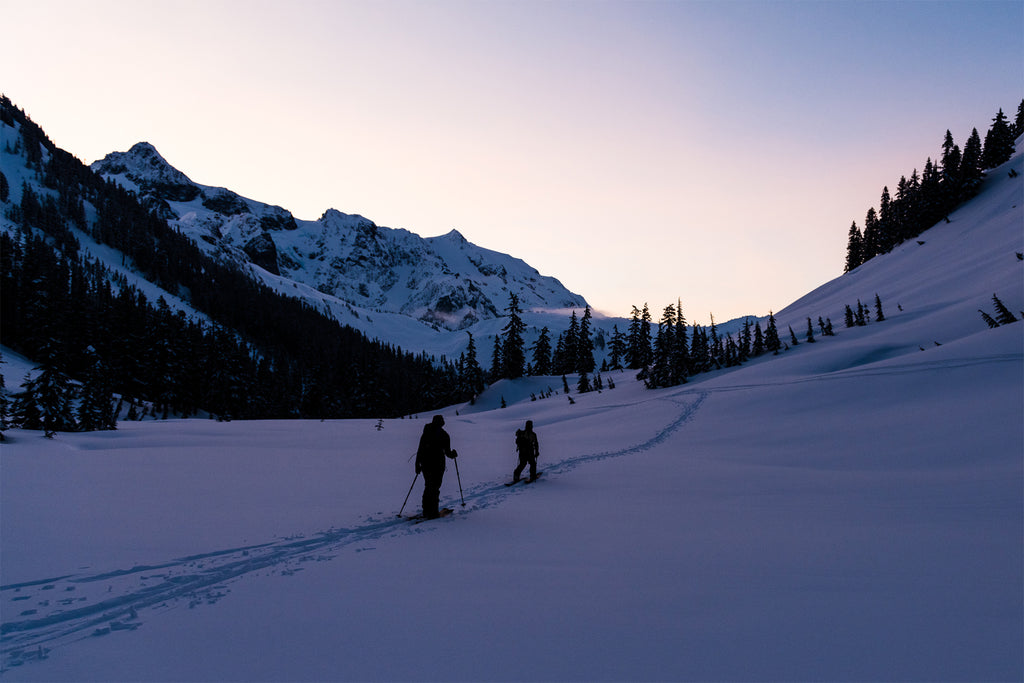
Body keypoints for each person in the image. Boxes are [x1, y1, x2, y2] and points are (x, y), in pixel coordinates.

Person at [415, 415, 457, 518]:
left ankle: (427, 510)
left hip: (426, 464)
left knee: (429, 486)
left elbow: (420, 449)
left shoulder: (426, 432)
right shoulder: (444, 435)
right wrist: (453, 454)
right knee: (435, 487)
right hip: (438, 465)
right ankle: (433, 512)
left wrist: (417, 464)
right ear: (442, 423)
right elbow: (447, 452)